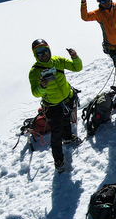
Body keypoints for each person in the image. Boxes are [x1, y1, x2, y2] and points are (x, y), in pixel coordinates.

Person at [28, 39, 83, 173]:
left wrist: (75, 57)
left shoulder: (58, 61)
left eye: (45, 51)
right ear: (35, 55)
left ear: (49, 50)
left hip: (66, 98)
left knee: (66, 120)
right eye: (39, 53)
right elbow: (35, 92)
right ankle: (58, 160)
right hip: (51, 106)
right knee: (56, 133)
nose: (43, 54)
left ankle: (68, 137)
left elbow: (77, 67)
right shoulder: (34, 72)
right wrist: (42, 87)